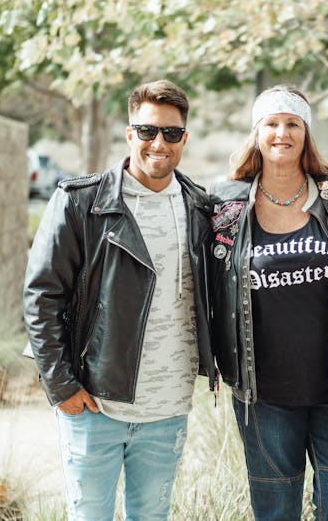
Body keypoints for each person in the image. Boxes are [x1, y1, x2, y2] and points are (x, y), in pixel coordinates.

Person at [23, 80, 215, 520]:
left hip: (168, 408)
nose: (158, 143)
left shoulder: (200, 208)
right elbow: (41, 296)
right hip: (94, 404)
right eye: (147, 131)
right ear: (129, 134)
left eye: (171, 133)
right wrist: (61, 386)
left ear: (184, 138)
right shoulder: (80, 202)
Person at [209, 86, 328, 520]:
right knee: (276, 510)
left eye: (293, 123)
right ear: (257, 133)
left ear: (306, 132)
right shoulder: (225, 203)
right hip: (265, 392)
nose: (282, 132)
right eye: (272, 123)